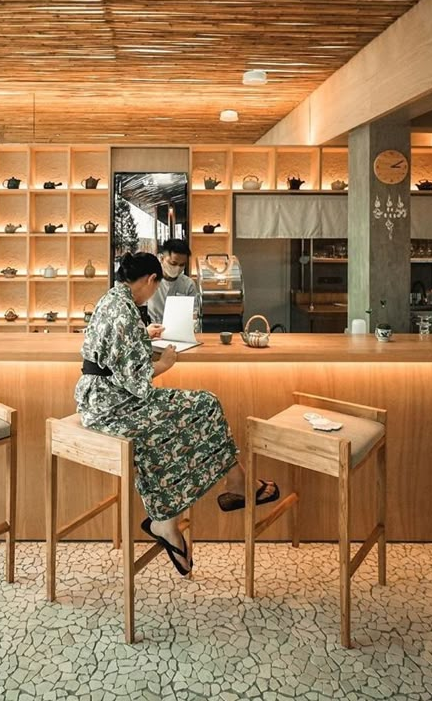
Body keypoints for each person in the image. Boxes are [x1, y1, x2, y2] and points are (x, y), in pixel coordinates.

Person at [74, 251, 279, 576]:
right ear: (151, 279)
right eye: (155, 287)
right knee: (204, 405)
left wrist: (145, 335)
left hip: (99, 398)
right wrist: (163, 365)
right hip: (110, 404)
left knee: (175, 425)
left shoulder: (113, 299)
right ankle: (219, 492)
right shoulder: (125, 309)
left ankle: (171, 518)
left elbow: (113, 348)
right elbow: (133, 378)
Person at [147, 238, 198, 326]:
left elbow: (194, 314)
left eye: (182, 265)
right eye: (173, 263)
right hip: (152, 330)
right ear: (162, 259)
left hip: (179, 332)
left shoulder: (188, 284)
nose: (178, 268)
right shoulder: (150, 280)